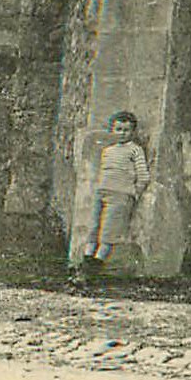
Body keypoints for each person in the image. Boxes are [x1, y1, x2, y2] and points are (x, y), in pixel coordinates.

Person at [73, 111, 150, 285]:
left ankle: (93, 269)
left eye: (127, 130)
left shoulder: (135, 150)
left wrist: (133, 193)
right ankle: (85, 263)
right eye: (119, 129)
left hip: (120, 195)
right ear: (112, 130)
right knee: (93, 229)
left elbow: (143, 176)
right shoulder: (107, 151)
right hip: (102, 193)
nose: (122, 133)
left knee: (108, 233)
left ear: (133, 132)